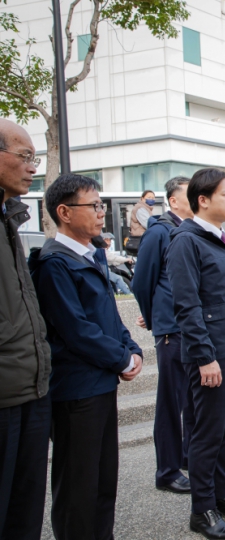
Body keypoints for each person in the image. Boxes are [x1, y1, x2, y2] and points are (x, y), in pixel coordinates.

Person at [30, 173, 144, 540]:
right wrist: (121, 360)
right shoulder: (54, 262)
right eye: (93, 206)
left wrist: (132, 348)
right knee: (77, 485)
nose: (101, 213)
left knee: (102, 477)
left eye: (100, 205)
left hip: (98, 382)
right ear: (64, 212)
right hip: (75, 389)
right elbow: (75, 329)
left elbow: (108, 317)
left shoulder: (90, 255)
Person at [166, 168, 225, 540]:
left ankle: (223, 496)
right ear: (202, 200)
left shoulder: (224, 238)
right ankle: (201, 509)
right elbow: (187, 306)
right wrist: (205, 357)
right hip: (210, 356)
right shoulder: (185, 241)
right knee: (206, 435)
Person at [0, 119, 51, 540]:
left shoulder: (9, 220)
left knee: (25, 509)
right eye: (24, 156)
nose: (32, 166)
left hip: (30, 388)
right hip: (4, 392)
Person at [131, 176, 195, 495]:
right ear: (173, 201)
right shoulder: (160, 231)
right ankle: (167, 471)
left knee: (188, 400)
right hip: (171, 329)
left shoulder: (191, 230)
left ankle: (183, 457)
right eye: (190, 193)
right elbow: (142, 281)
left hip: (190, 328)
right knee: (170, 402)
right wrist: (155, 316)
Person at [128, 189, 156, 254]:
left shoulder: (146, 208)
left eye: (153, 198)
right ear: (142, 198)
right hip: (141, 239)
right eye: (149, 197)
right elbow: (148, 223)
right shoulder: (140, 208)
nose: (151, 199)